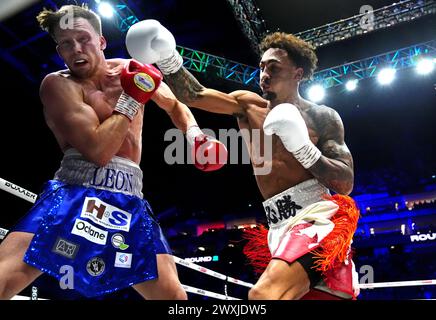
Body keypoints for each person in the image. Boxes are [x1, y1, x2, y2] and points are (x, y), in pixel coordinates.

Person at [0, 5, 227, 300]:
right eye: (66, 44)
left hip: (128, 196)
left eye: (83, 39)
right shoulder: (57, 85)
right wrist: (133, 98)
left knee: (174, 299)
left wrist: (196, 137)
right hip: (74, 191)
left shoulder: (131, 71)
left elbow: (174, 105)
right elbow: (98, 151)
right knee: (3, 279)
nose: (76, 49)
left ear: (101, 42)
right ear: (59, 50)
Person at [124, 20, 360, 300]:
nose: (264, 74)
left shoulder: (323, 117)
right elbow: (193, 95)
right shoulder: (248, 106)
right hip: (277, 224)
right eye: (262, 67)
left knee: (262, 296)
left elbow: (344, 183)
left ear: (298, 74)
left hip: (315, 214)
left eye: (274, 67)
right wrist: (168, 58)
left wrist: (303, 148)